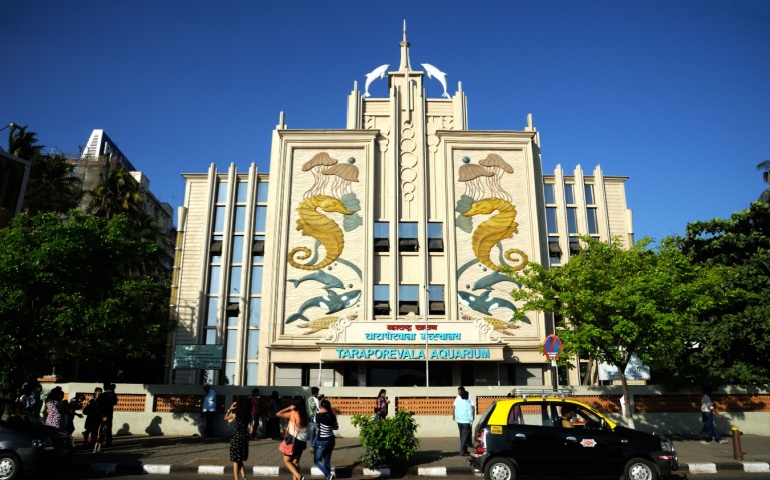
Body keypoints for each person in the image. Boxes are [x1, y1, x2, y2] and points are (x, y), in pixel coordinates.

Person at [277, 397, 309, 480]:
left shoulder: (293, 413)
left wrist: (289, 408)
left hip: (293, 440)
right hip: (302, 441)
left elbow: (278, 414)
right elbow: (307, 429)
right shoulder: (306, 415)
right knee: (295, 462)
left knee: (286, 461)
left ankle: (299, 477)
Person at [225, 399, 253, 480]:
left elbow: (225, 418)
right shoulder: (249, 415)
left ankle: (236, 479)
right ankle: (244, 477)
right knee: (239, 458)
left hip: (236, 438)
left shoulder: (235, 415)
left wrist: (230, 408)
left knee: (235, 460)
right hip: (244, 438)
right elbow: (251, 430)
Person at [311, 399, 338, 480]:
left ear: (322, 407)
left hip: (322, 441)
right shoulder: (332, 415)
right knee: (326, 460)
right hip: (331, 440)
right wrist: (328, 427)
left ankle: (328, 475)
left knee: (317, 460)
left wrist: (317, 413)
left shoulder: (320, 416)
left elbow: (311, 418)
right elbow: (336, 427)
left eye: (320, 407)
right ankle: (327, 477)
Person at [454, 390, 473, 456]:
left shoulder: (458, 403)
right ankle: (462, 451)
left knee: (462, 437)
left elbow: (456, 412)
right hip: (466, 422)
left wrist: (457, 419)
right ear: (467, 397)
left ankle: (465, 451)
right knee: (465, 437)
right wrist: (471, 421)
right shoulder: (468, 404)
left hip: (459, 422)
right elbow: (470, 413)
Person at [307, 387, 320, 452]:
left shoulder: (309, 399)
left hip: (311, 416)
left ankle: (311, 446)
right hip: (316, 417)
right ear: (316, 392)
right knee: (319, 431)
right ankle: (313, 446)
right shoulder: (316, 400)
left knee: (312, 431)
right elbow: (319, 409)